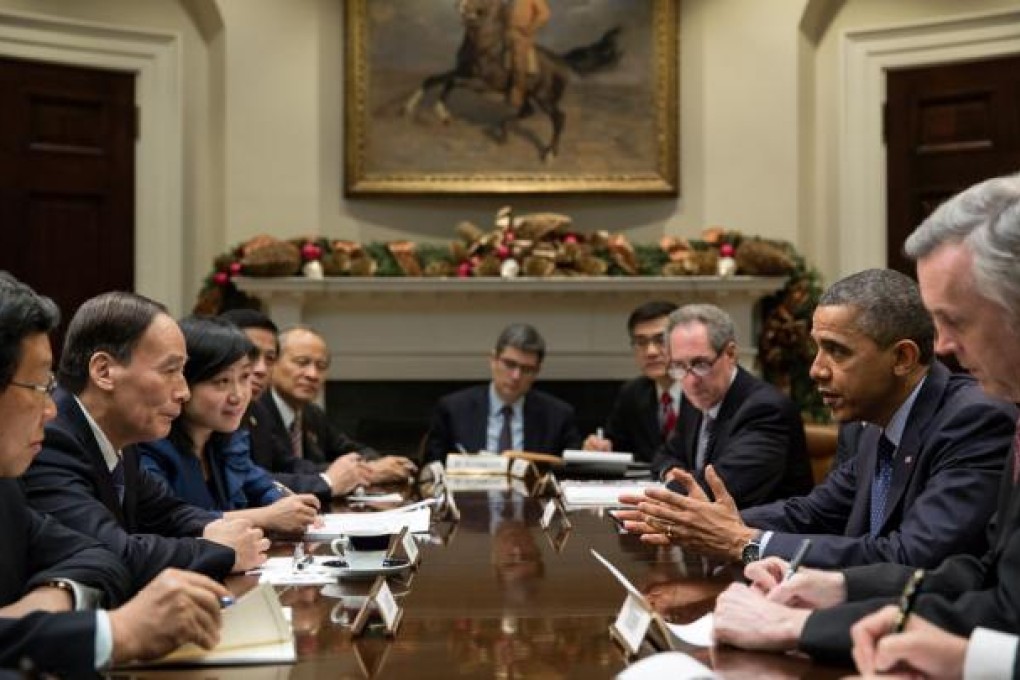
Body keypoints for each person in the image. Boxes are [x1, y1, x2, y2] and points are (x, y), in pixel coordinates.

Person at [709, 173, 1020, 673]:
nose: (941, 346)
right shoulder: (872, 423)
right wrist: (839, 587)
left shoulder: (982, 415)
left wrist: (800, 626)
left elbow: (943, 571)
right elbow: (982, 576)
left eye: (955, 321)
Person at [621, 270, 1015, 569]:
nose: (816, 370)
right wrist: (700, 520)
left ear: (902, 358)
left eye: (837, 352)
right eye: (817, 349)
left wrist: (746, 541)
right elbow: (817, 511)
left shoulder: (974, 419)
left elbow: (910, 555)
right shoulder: (866, 424)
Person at [0, 272, 233, 674]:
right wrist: (114, 632)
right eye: (38, 386)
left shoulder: (5, 491)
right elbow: (114, 551)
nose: (51, 407)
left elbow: (95, 556)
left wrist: (49, 600)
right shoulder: (54, 443)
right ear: (104, 371)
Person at [23, 292, 269, 594]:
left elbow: (168, 512)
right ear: (104, 371)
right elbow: (109, 552)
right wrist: (220, 549)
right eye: (170, 371)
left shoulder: (122, 436)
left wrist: (216, 529)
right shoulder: (50, 437)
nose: (183, 392)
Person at [139, 316, 320, 533]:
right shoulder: (149, 446)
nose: (238, 396)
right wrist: (263, 517)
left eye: (244, 377)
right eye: (222, 381)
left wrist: (287, 504)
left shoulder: (229, 442)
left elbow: (260, 485)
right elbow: (170, 521)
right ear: (183, 382)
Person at [647, 304, 813, 507]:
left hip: (761, 533)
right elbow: (666, 454)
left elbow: (721, 488)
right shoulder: (698, 397)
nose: (690, 381)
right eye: (678, 366)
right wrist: (671, 472)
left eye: (701, 364)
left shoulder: (766, 409)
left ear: (731, 354)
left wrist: (657, 493)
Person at [220, 309, 369, 500]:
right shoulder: (256, 407)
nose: (261, 369)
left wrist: (357, 470)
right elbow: (242, 481)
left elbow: (288, 465)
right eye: (251, 355)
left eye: (269, 358)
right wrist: (327, 481)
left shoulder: (257, 410)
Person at [250, 326, 416, 485]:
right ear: (273, 364)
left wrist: (382, 463)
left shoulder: (313, 414)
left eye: (321, 366)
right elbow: (284, 471)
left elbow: (352, 449)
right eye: (302, 362)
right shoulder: (256, 411)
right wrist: (368, 472)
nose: (312, 374)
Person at [424, 322, 581, 464]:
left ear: (537, 371)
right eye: (510, 364)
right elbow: (432, 470)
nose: (516, 376)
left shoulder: (558, 416)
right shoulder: (453, 410)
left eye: (526, 369)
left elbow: (572, 471)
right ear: (493, 360)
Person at [583, 300, 681, 464]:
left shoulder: (704, 391)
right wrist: (601, 448)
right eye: (641, 342)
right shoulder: (633, 393)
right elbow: (616, 447)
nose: (651, 352)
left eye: (661, 340)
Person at [506, 0, 550, 112]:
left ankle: (518, 94)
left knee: (518, 60)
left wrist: (531, 27)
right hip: (506, 31)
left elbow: (544, 14)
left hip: (522, 34)